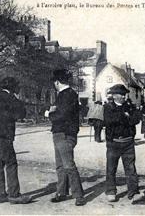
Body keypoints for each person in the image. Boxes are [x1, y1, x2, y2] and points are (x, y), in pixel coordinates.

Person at [0, 77, 32, 204]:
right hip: (4, 136)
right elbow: (21, 114)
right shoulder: (10, 98)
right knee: (11, 163)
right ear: (12, 87)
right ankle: (14, 194)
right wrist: (18, 99)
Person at [48, 69, 86, 206]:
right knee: (60, 165)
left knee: (68, 165)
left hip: (64, 134)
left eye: (54, 83)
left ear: (57, 82)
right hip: (62, 133)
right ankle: (61, 192)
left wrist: (49, 114)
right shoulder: (69, 94)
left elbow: (61, 115)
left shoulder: (66, 95)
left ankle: (79, 195)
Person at [103, 84, 144, 203]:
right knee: (111, 168)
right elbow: (110, 121)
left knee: (131, 168)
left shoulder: (130, 107)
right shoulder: (108, 107)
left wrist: (125, 117)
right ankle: (111, 191)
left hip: (128, 142)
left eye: (125, 94)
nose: (124, 97)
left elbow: (135, 119)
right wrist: (125, 117)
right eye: (122, 94)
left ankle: (134, 193)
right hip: (113, 142)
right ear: (115, 96)